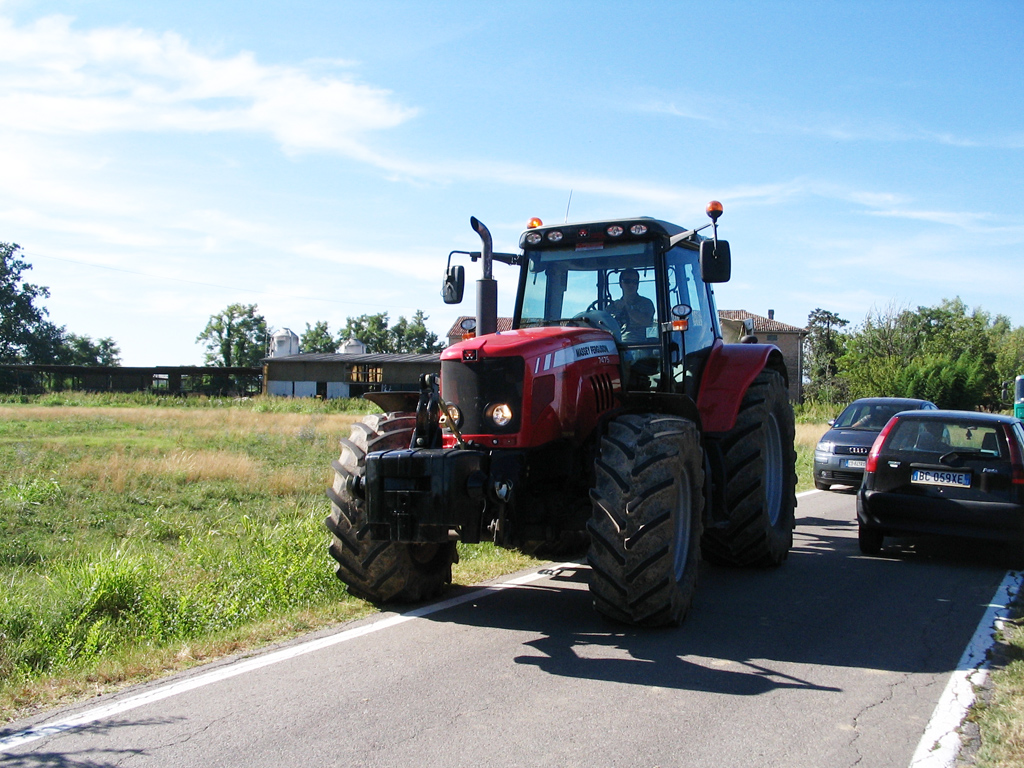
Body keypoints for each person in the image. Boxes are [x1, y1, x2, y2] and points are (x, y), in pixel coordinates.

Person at [609, 268, 655, 343]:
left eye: (635, 282)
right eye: (627, 281)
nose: (631, 285)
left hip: (641, 346)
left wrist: (627, 308)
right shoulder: (612, 307)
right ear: (620, 284)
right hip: (615, 345)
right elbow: (602, 323)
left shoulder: (646, 303)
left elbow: (646, 321)